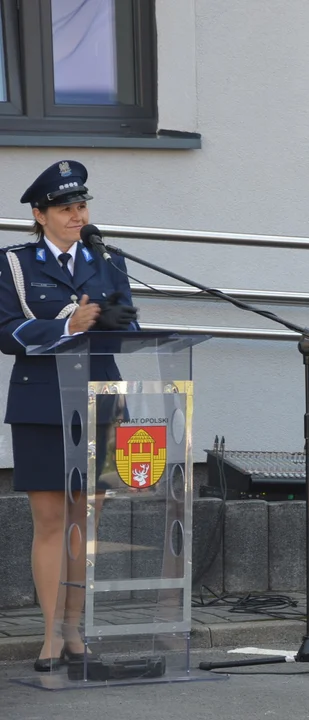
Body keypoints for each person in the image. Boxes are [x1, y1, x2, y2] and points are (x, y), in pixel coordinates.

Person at [0, 160, 139, 672]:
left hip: (100, 397)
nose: (77, 215)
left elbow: (128, 326)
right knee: (52, 520)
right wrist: (65, 323)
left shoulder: (108, 259)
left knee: (86, 519)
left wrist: (110, 318)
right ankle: (49, 635)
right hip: (40, 403)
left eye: (81, 206)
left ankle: (75, 629)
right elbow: (4, 330)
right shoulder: (13, 264)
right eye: (65, 208)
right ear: (39, 215)